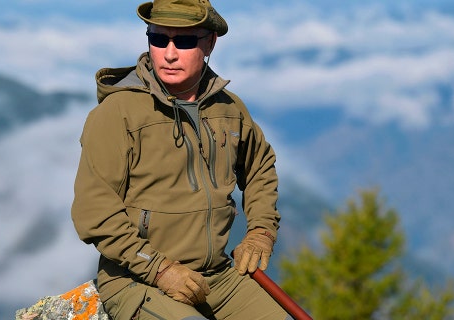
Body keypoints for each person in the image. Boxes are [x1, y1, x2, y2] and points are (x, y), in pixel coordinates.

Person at [71, 0, 290, 319]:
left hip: (220, 278)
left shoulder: (228, 108)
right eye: (158, 39)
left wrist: (261, 231)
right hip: (140, 283)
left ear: (210, 43)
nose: (169, 53)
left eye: (185, 41)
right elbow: (94, 211)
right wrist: (160, 270)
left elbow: (259, 168)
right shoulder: (117, 114)